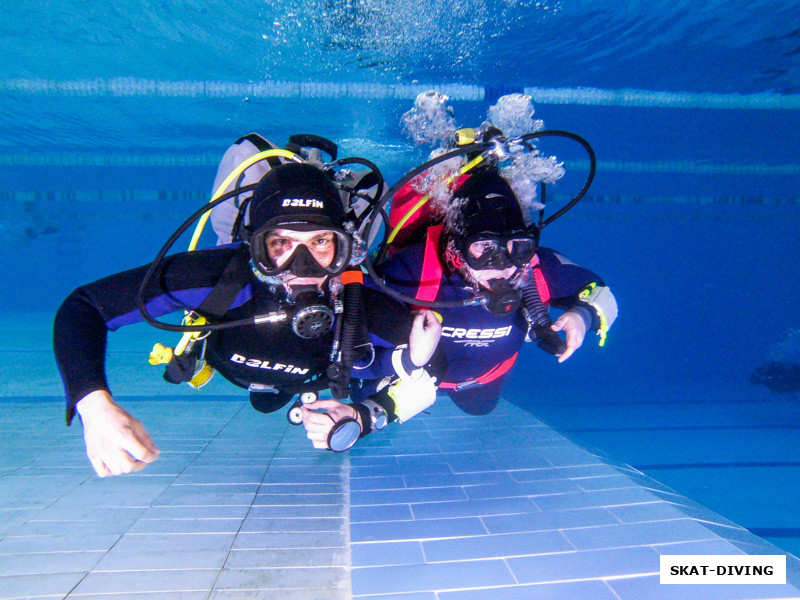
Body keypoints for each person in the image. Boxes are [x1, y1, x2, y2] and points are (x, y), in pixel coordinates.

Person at [53, 159, 441, 477]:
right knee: (265, 401)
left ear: (344, 246)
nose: (302, 266)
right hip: (247, 370)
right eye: (281, 244)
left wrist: (364, 415)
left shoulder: (357, 298)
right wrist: (93, 404)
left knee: (273, 399)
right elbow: (85, 307)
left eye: (321, 242)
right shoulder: (219, 278)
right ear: (254, 247)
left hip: (307, 379)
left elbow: (436, 370)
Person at [363, 167, 618, 415]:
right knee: (364, 396)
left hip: (486, 378)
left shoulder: (536, 268)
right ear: (456, 247)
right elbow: (357, 311)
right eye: (484, 247)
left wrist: (583, 315)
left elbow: (600, 291)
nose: (502, 264)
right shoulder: (413, 268)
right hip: (412, 376)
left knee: (480, 408)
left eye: (516, 246)